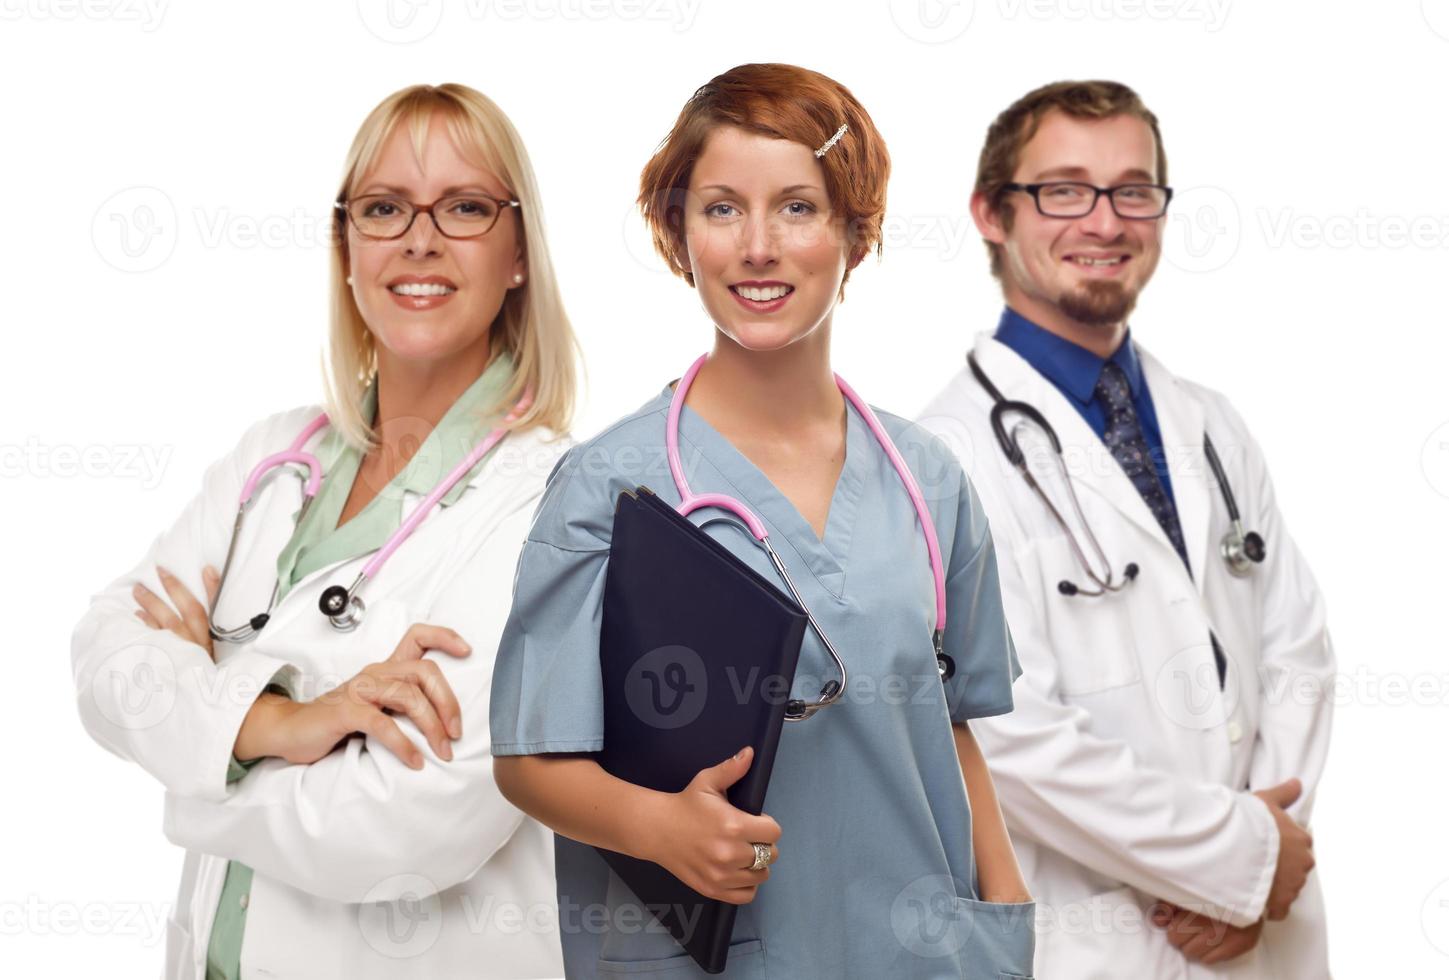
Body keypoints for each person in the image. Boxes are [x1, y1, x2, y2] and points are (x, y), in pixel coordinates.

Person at [489, 63, 1035, 979]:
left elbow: (948, 722)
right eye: (720, 209)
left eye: (796, 207)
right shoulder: (610, 487)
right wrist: (655, 826)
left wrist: (1005, 913)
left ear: (853, 234)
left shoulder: (926, 477)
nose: (756, 246)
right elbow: (527, 759)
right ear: (679, 233)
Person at [71, 82, 580, 980]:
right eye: (383, 208)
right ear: (345, 246)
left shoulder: (554, 505)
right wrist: (285, 725)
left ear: (517, 255)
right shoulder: (274, 458)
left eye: (463, 207)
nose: (418, 239)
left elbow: (397, 828)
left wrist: (196, 751)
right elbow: (102, 653)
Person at [917, 79, 1334, 977]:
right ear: (992, 213)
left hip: (1265, 929)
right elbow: (1001, 730)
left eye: (1132, 190)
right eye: (1063, 189)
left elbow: (1297, 652)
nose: (1104, 222)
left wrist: (1271, 853)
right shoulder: (938, 460)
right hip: (1105, 935)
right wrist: (1233, 862)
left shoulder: (1211, 424)